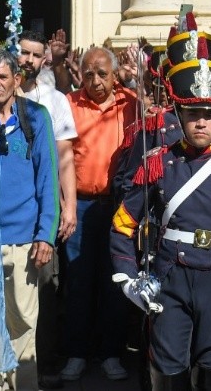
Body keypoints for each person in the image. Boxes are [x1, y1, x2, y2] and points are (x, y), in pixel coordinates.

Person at [111, 32, 211, 391]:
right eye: (193, 113)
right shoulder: (159, 164)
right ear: (179, 113)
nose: (201, 122)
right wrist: (127, 277)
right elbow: (123, 224)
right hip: (171, 275)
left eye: (210, 114)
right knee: (168, 370)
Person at [0, 50, 59, 391]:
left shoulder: (35, 117)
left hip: (22, 240)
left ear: (16, 80)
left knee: (21, 324)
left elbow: (48, 180)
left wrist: (45, 235)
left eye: (2, 77)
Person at [61, 46, 136, 381]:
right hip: (80, 206)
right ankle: (76, 353)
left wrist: (142, 82)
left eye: (102, 73)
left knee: (115, 281)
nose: (95, 80)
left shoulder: (131, 103)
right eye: (88, 73)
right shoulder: (70, 104)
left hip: (120, 208)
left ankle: (111, 353)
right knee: (77, 282)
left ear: (115, 72)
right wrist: (68, 208)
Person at [16, 31, 77, 388]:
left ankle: (44, 365)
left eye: (34, 55)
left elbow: (65, 155)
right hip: (5, 210)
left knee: (44, 287)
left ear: (44, 61)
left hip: (43, 207)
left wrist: (68, 204)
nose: (26, 59)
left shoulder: (54, 100)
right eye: (21, 52)